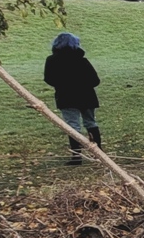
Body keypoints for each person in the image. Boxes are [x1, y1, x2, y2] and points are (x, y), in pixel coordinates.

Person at [43, 31, 101, 165]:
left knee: (73, 126)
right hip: (87, 96)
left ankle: (76, 157)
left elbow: (49, 78)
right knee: (91, 123)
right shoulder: (82, 61)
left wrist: (62, 85)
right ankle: (99, 153)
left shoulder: (51, 60)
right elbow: (95, 80)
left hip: (66, 97)